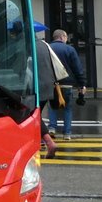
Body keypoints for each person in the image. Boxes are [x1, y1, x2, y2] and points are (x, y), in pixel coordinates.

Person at [47, 29, 86, 140]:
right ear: (62, 37)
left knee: (52, 106)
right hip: (67, 83)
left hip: (52, 83)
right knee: (67, 108)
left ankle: (52, 128)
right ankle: (67, 133)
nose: (66, 39)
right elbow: (77, 68)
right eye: (66, 37)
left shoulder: (48, 48)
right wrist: (81, 84)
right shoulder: (70, 49)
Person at [35, 26, 59, 158]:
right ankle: (43, 142)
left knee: (33, 116)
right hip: (47, 86)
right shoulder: (44, 45)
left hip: (34, 88)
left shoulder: (25, 45)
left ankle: (49, 142)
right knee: (35, 115)